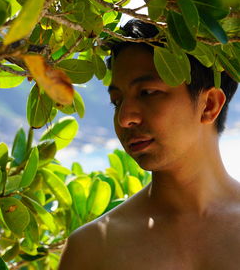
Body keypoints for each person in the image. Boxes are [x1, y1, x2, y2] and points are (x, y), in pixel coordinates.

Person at [58, 20, 239, 269]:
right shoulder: (93, 249)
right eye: (116, 101)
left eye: (148, 93)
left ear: (209, 105)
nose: (124, 118)